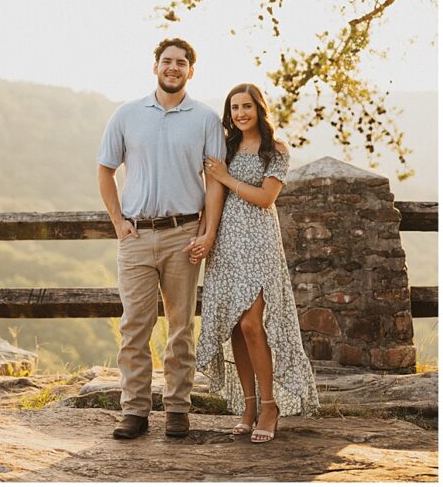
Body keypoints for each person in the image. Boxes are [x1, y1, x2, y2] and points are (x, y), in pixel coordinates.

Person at [96, 38, 226, 439]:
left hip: (183, 235)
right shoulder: (127, 115)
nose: (173, 67)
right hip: (135, 235)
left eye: (181, 63)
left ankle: (177, 409)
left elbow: (215, 182)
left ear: (191, 71)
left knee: (181, 327)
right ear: (154, 67)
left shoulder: (205, 119)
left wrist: (207, 232)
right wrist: (118, 222)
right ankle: (134, 411)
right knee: (134, 325)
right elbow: (105, 170)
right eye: (167, 61)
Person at [191, 83, 319, 443]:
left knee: (251, 323)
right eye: (234, 108)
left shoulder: (275, 150)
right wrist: (204, 234)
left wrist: (226, 177)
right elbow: (210, 194)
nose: (240, 113)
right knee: (233, 323)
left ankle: (269, 405)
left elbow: (265, 198)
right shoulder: (226, 146)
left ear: (259, 109)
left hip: (258, 241)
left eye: (246, 106)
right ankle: (247, 406)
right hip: (226, 242)